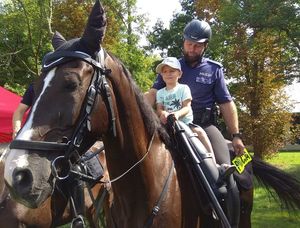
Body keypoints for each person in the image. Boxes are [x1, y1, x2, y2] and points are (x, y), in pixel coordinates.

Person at [145, 19, 244, 227]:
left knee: (223, 172)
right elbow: (153, 95)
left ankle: (229, 219)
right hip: (170, 126)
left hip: (204, 126)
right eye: (189, 43)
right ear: (183, 42)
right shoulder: (170, 67)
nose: (192, 48)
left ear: (205, 45)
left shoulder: (214, 69)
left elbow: (226, 103)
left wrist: (235, 135)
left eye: (198, 45)